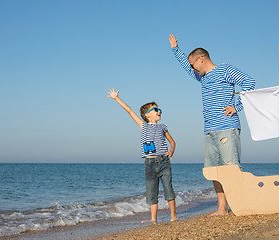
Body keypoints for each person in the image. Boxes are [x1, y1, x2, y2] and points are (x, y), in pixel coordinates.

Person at [168, 34, 255, 216]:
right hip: (209, 130)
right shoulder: (203, 77)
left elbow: (249, 82)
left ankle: (243, 205)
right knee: (214, 171)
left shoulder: (224, 69)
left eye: (193, 65)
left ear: (201, 59)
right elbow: (186, 65)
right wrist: (176, 50)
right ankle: (222, 208)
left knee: (231, 168)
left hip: (227, 126)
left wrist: (237, 106)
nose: (192, 68)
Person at [107, 88, 178, 224]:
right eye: (156, 110)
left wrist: (172, 150)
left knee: (168, 188)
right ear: (147, 115)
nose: (159, 112)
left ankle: (173, 215)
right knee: (152, 191)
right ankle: (153, 219)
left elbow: (172, 141)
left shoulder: (163, 127)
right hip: (149, 163)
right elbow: (129, 110)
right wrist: (116, 98)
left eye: (160, 110)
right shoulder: (143, 125)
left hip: (164, 161)